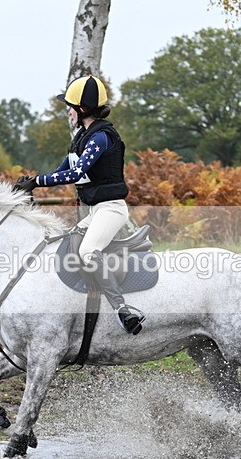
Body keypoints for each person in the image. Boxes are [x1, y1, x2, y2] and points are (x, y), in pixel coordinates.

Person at [13, 75, 145, 335]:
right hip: (96, 211)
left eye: (71, 107)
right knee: (69, 244)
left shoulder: (101, 137)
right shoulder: (82, 138)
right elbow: (61, 171)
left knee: (88, 251)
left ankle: (123, 310)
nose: (70, 112)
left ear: (82, 109)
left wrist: (37, 181)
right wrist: (31, 182)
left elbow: (75, 174)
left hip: (111, 209)